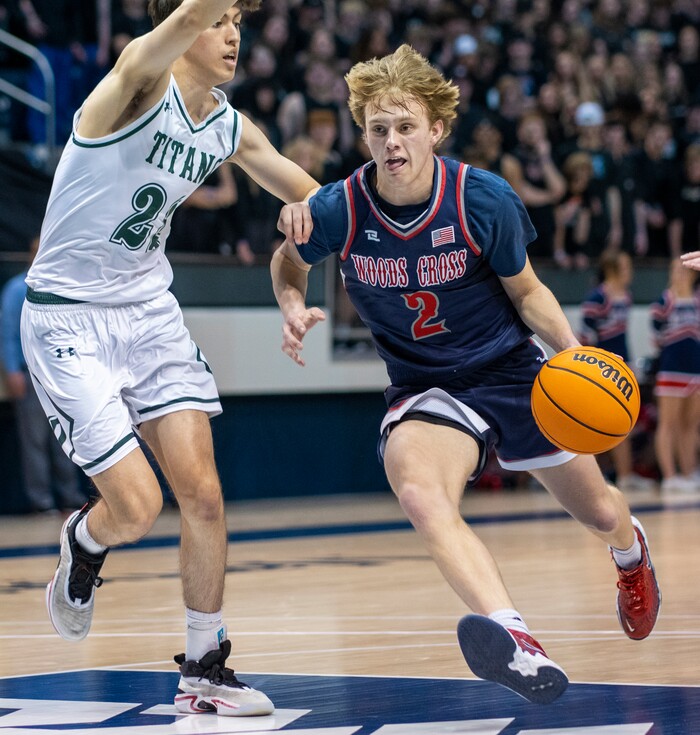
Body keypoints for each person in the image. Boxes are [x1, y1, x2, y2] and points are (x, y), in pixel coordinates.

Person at [271, 45, 661, 706]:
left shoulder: (482, 197)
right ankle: (515, 636)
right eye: (376, 129)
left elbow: (530, 291)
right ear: (362, 134)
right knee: (420, 491)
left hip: (511, 371)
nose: (390, 142)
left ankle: (631, 555)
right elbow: (288, 259)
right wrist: (291, 305)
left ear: (435, 129)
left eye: (403, 127)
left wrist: (571, 353)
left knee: (599, 509)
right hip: (426, 386)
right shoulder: (340, 208)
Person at [21, 0, 319, 717]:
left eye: (240, 23)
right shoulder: (126, 87)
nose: (232, 34)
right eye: (221, 20)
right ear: (185, 22)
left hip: (148, 312)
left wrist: (299, 259)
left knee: (205, 493)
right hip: (68, 314)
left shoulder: (225, 124)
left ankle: (205, 671)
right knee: (137, 506)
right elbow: (175, 28)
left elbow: (308, 197)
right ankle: (85, 541)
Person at [0, 236, 84, 514]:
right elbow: (8, 334)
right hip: (30, 375)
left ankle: (70, 497)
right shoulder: (15, 290)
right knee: (34, 442)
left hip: (60, 376)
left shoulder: (64, 288)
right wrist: (12, 371)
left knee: (66, 441)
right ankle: (42, 502)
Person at [580, 250, 654, 492]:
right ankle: (610, 475)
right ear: (612, 270)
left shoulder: (626, 296)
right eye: (625, 268)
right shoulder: (596, 299)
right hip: (602, 368)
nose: (629, 272)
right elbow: (584, 338)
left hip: (624, 363)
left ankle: (624, 474)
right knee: (601, 424)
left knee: (624, 422)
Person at [650, 260, 700, 494]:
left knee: (690, 425)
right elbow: (656, 338)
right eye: (675, 270)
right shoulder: (664, 301)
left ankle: (688, 474)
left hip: (695, 371)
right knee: (668, 424)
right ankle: (670, 476)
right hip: (671, 371)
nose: (678, 275)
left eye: (683, 270)